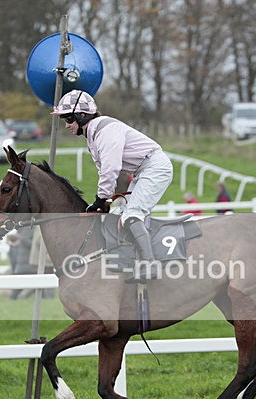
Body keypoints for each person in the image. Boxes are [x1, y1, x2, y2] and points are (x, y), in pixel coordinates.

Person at [51, 89, 174, 281]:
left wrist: (100, 199)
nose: (66, 125)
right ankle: (126, 261)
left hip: (155, 167)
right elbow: (108, 173)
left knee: (132, 215)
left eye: (68, 119)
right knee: (116, 214)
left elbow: (111, 169)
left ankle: (150, 264)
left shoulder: (105, 131)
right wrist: (107, 200)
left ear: (82, 116)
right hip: (143, 170)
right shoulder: (93, 135)